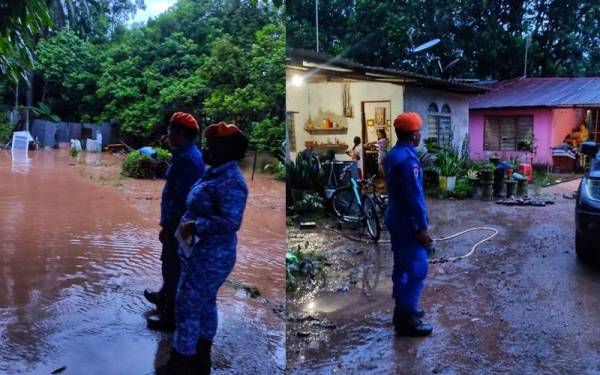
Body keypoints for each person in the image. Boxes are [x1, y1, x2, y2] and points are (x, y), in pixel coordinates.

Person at [158, 122, 249, 374]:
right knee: (205, 304)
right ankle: (201, 356)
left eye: (213, 146)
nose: (207, 149)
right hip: (198, 252)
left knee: (186, 305)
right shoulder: (214, 173)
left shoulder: (231, 181)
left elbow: (232, 222)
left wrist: (195, 226)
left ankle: (182, 361)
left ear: (227, 150)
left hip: (211, 257)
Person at [145, 112, 205, 330]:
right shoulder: (184, 155)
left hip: (180, 225)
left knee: (173, 267)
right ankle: (164, 297)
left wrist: (169, 227)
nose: (168, 134)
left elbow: (182, 200)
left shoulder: (189, 159)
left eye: (171, 130)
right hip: (177, 223)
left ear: (180, 134)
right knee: (169, 264)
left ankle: (170, 315)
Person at [384, 112, 433, 337]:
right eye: (419, 131)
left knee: (402, 267)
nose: (420, 135)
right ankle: (406, 318)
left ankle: (401, 310)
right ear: (413, 135)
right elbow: (414, 197)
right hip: (408, 223)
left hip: (396, 218)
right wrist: (422, 229)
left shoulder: (393, 155)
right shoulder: (408, 160)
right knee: (417, 269)